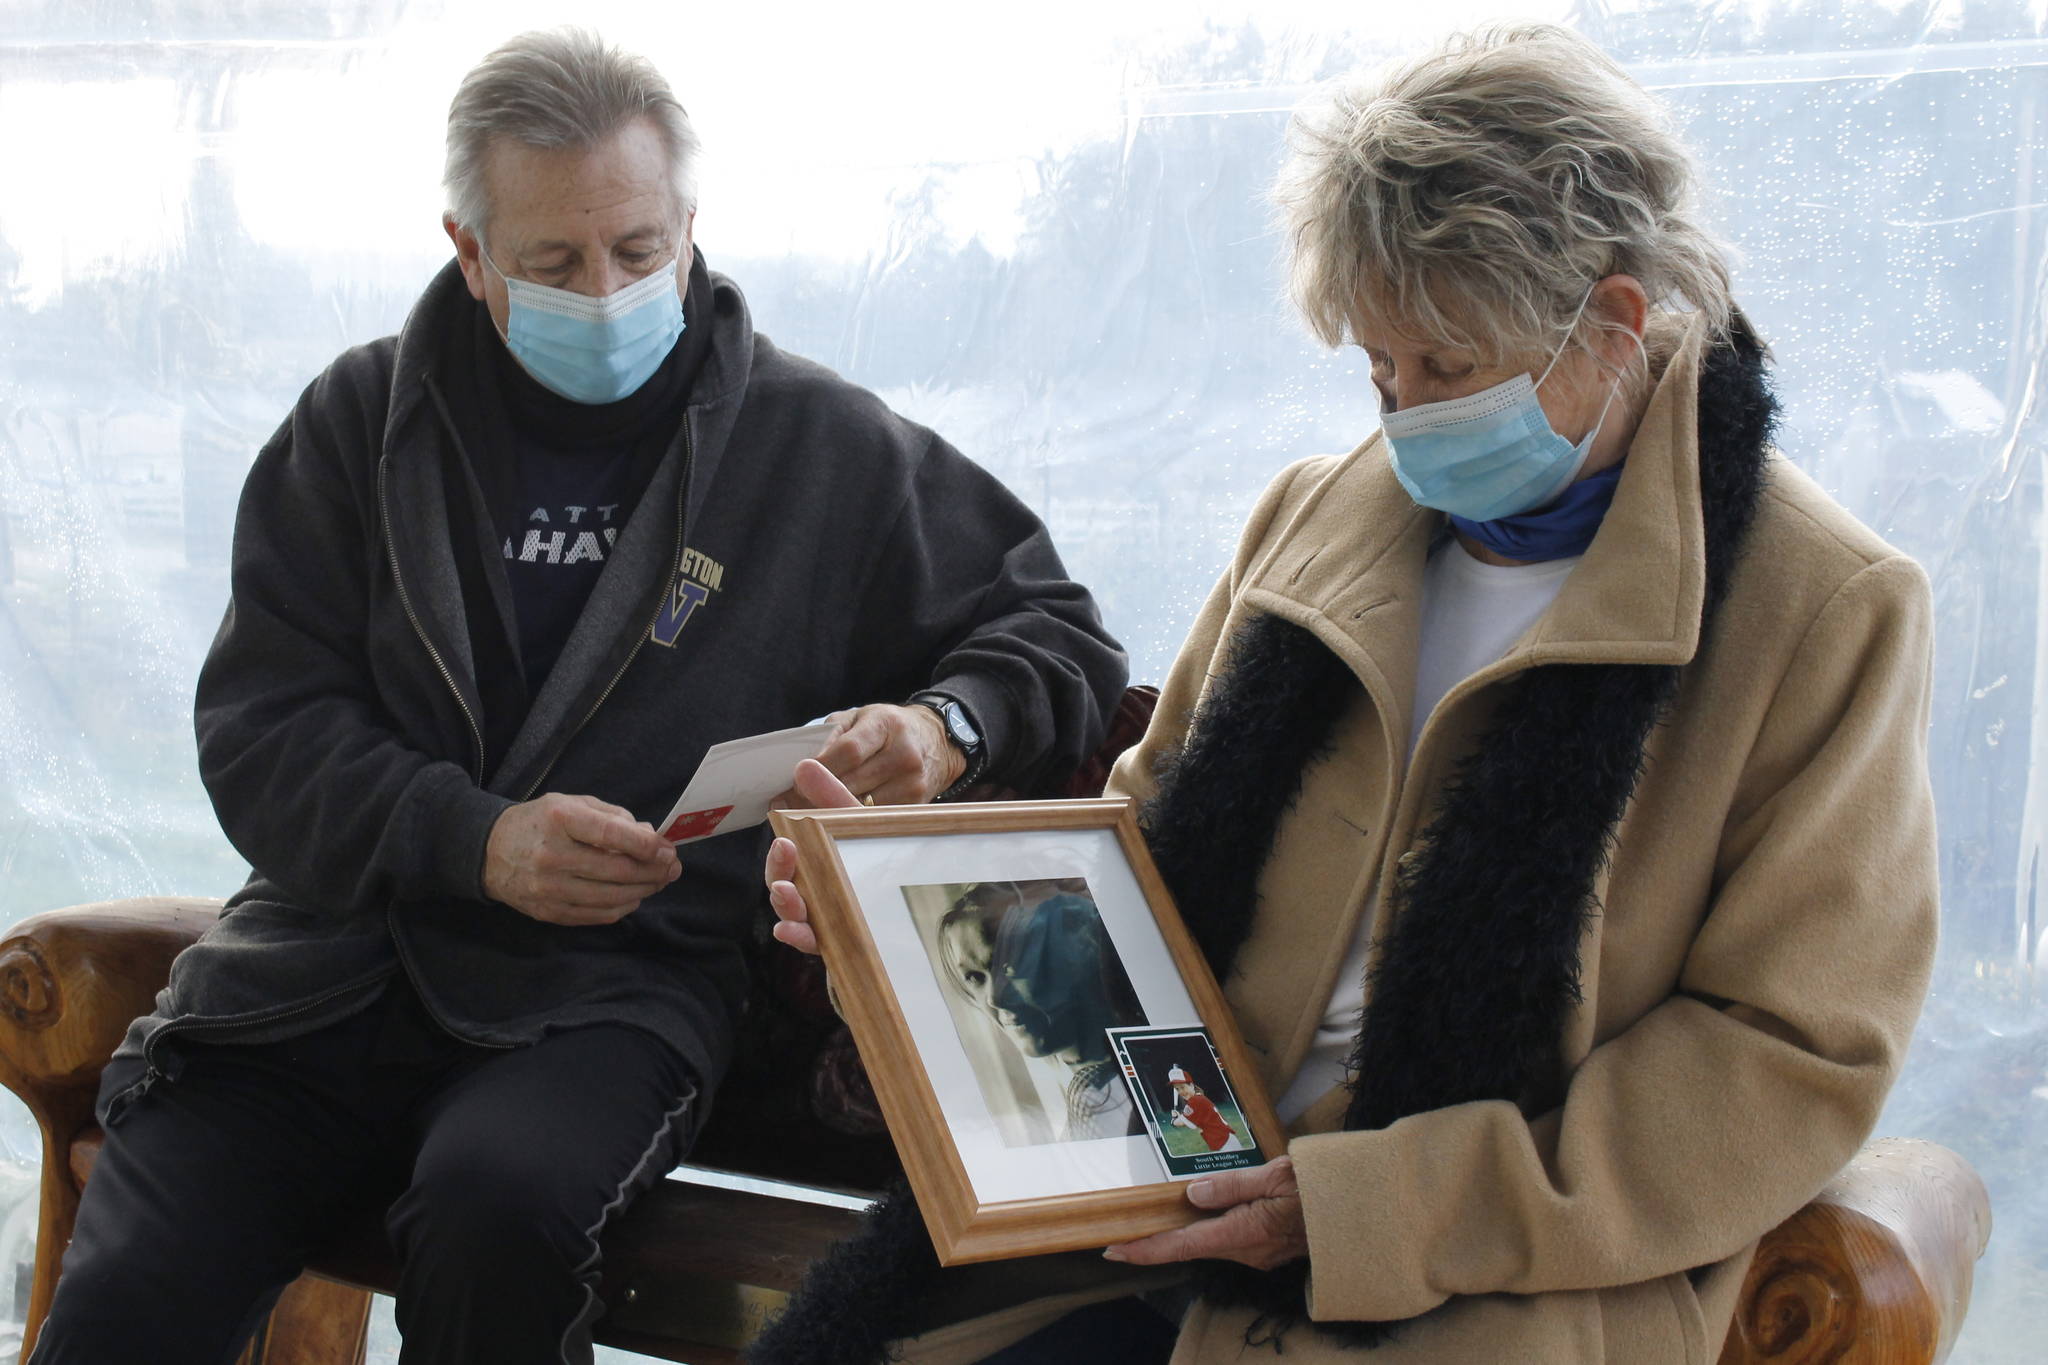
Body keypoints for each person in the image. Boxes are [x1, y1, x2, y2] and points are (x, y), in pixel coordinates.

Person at [759, 21, 1937, 1365]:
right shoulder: (1309, 526)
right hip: (1157, 1205)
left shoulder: (1822, 608)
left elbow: (1783, 1057)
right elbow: (1131, 881)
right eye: (1379, 367)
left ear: (1612, 323)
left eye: (1449, 366)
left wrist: (1367, 1206)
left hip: (1490, 1276)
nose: (1406, 415)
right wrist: (905, 941)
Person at [31, 27, 1125, 1365]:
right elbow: (260, 731)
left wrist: (943, 728)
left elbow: (1054, 632)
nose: (603, 291)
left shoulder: (815, 447)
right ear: (469, 251)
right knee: (134, 1281)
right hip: (318, 974)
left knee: (504, 1207)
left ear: (689, 227)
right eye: (552, 262)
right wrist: (470, 837)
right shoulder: (356, 426)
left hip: (613, 991)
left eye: (638, 252)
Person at [936, 882, 1146, 1140]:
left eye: (1008, 964)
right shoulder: (1083, 1118)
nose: (994, 998)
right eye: (975, 978)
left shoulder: (1151, 1081)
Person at [1165, 1066, 1246, 1154]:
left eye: (1183, 1087)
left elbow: (1182, 1123)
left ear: (1191, 1085)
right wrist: (1180, 1116)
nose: (1181, 1091)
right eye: (1177, 1089)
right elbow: (1190, 1118)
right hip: (1225, 1138)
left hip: (1223, 1141)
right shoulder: (1199, 1098)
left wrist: (1173, 1120)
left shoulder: (1194, 1101)